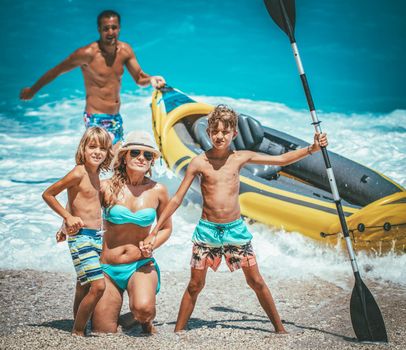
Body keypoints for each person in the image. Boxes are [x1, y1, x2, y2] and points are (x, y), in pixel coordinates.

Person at [144, 104, 328, 333]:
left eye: (225, 132)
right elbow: (176, 199)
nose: (220, 136)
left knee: (256, 281)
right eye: (215, 132)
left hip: (235, 231)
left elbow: (281, 160)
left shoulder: (240, 158)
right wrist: (155, 230)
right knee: (195, 285)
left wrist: (312, 148)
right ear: (208, 132)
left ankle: (280, 330)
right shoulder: (199, 162)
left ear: (234, 134)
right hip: (207, 231)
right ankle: (178, 332)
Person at [20, 10, 166, 147]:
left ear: (119, 28)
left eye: (114, 28)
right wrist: (33, 90)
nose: (110, 32)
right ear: (99, 29)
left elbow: (139, 77)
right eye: (106, 28)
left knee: (118, 163)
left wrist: (152, 79)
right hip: (95, 118)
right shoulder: (87, 54)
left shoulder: (125, 51)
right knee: (100, 160)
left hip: (115, 118)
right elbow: (56, 71)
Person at [91, 131, 172, 334]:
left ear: (152, 161)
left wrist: (154, 242)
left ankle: (144, 319)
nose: (141, 158)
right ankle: (126, 316)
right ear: (124, 156)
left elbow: (166, 228)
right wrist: (66, 223)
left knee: (144, 310)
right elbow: (81, 208)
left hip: (140, 265)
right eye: (135, 152)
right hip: (107, 268)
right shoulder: (106, 187)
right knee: (103, 331)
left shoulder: (158, 190)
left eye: (147, 155)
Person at [42, 126, 114, 336]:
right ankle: (79, 331)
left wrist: (64, 223)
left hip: (95, 236)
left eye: (102, 148)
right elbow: (48, 194)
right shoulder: (78, 172)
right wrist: (67, 218)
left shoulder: (97, 174)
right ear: (83, 148)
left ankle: (79, 323)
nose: (97, 152)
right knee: (98, 286)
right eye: (92, 146)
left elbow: (74, 200)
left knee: (83, 285)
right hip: (81, 237)